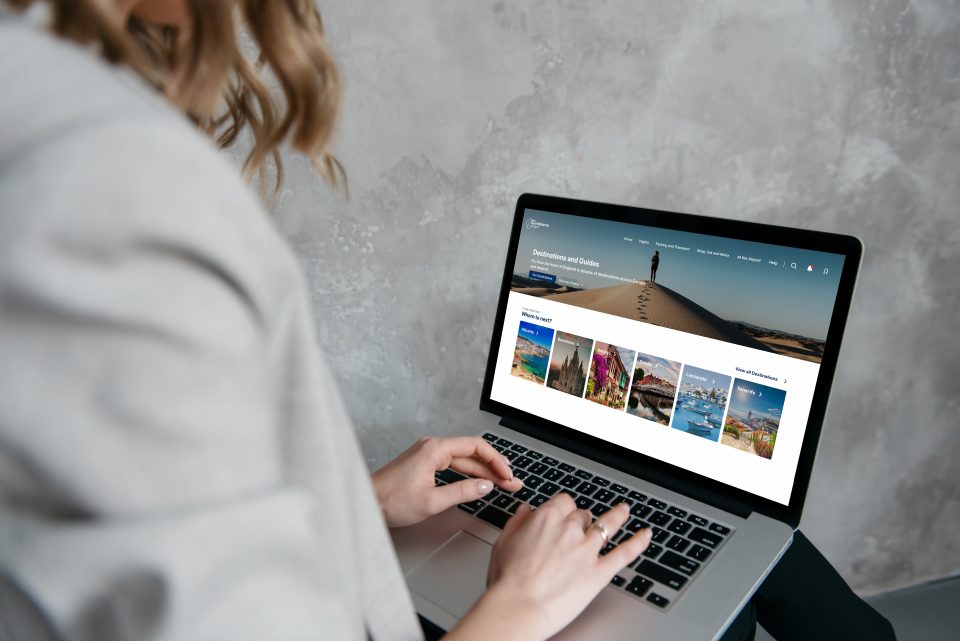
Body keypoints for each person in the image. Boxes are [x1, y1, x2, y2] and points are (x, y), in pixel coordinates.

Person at [0, 3, 896, 641]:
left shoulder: (51, 120)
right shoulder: (102, 186)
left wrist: (359, 504)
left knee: (757, 540)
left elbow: (166, 538)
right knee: (753, 571)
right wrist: (517, 606)